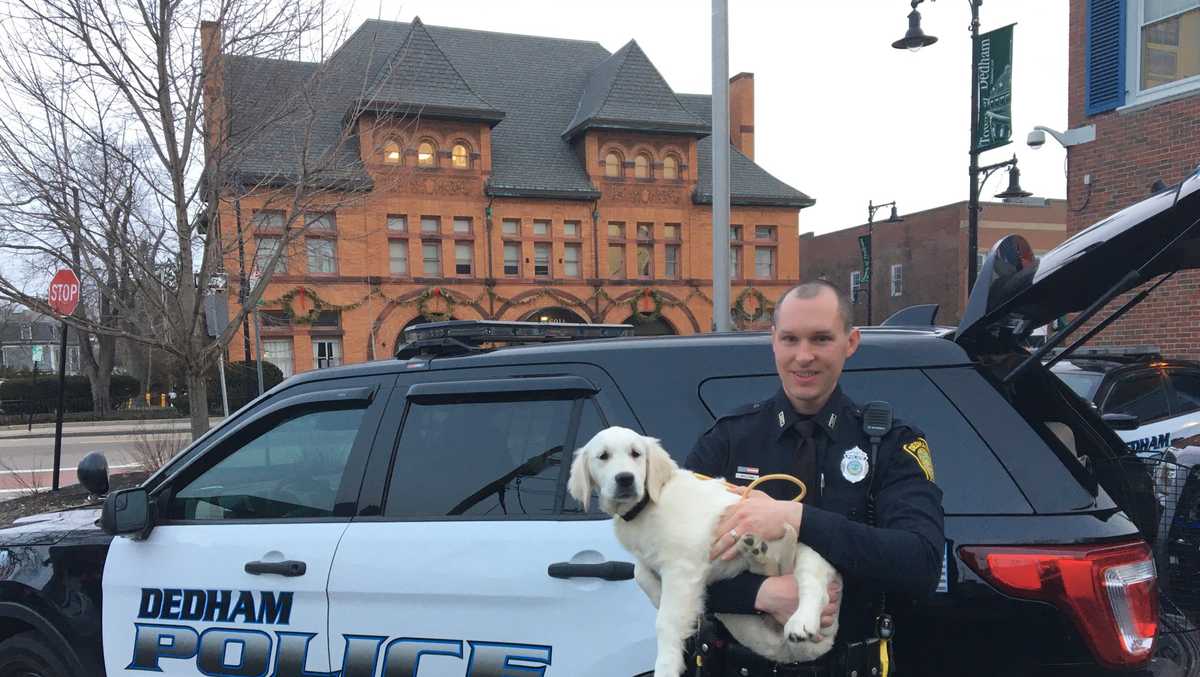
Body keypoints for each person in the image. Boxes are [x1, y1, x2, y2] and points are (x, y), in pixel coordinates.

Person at [684, 280, 945, 676]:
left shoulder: (890, 445)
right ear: (773, 341)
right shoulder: (729, 440)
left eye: (821, 339)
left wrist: (797, 519)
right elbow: (663, 567)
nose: (803, 356)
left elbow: (920, 564)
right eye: (790, 339)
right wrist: (762, 595)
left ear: (850, 342)